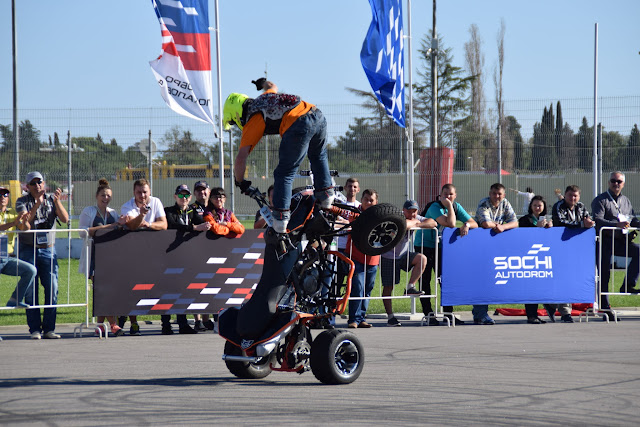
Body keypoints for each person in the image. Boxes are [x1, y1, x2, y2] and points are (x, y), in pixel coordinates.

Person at [224, 79, 334, 233]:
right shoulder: (264, 98)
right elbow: (271, 86)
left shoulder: (253, 118)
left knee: (284, 173)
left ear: (236, 114)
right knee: (318, 156)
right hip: (316, 114)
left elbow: (241, 158)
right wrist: (262, 83)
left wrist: (240, 181)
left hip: (298, 123)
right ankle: (327, 198)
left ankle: (280, 222)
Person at [414, 184, 477, 326]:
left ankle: (449, 314)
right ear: (440, 195)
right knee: (425, 281)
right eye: (445, 194)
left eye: (451, 194)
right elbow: (450, 223)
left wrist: (466, 225)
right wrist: (448, 205)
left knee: (445, 281)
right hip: (425, 245)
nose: (448, 197)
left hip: (442, 247)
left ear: (455, 195)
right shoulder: (435, 207)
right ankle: (429, 314)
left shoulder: (457, 207)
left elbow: (474, 223)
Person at [15, 171, 69, 339]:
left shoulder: (52, 199)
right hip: (27, 249)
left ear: (44, 184)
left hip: (48, 249)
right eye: (34, 183)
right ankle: (35, 329)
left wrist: (57, 201)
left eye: (40, 182)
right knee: (31, 290)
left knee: (52, 287)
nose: (38, 185)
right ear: (27, 186)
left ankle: (49, 329)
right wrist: (37, 205)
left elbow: (65, 219)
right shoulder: (21, 201)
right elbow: (25, 224)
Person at [118, 178, 167, 336]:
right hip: (133, 253)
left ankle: (165, 323)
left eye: (145, 192)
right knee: (132, 288)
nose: (142, 195)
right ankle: (133, 323)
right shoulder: (127, 206)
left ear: (150, 191)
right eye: (139, 192)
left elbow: (163, 224)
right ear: (134, 193)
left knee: (160, 287)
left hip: (154, 252)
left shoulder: (156, 202)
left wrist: (148, 224)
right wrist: (141, 217)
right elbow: (131, 225)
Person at [78, 179, 126, 337]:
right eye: (103, 195)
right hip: (93, 256)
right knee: (101, 290)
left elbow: (119, 228)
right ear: (96, 196)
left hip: (109, 257)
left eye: (108, 196)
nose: (106, 198)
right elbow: (83, 232)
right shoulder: (88, 211)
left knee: (105, 291)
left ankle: (100, 326)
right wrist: (110, 227)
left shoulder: (113, 213)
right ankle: (113, 325)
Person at [162, 184, 210, 335]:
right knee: (168, 290)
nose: (184, 198)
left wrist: (205, 226)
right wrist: (194, 228)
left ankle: (183, 323)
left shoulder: (192, 211)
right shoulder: (168, 211)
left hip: (185, 256)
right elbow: (172, 225)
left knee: (181, 290)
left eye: (186, 196)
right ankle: (166, 324)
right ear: (175, 197)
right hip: (169, 256)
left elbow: (201, 224)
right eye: (180, 195)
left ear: (190, 197)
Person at [591, 171, 640, 321]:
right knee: (604, 274)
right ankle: (605, 308)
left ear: (623, 184)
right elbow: (598, 220)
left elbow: (632, 220)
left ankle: (627, 285)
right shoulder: (600, 200)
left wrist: (636, 226)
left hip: (621, 242)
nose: (616, 184)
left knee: (638, 251)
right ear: (608, 182)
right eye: (613, 181)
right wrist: (616, 225)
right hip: (604, 241)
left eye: (619, 181)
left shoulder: (626, 201)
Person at [380, 200, 436, 327]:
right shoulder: (398, 216)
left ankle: (410, 286)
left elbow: (433, 222)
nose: (412, 214)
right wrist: (415, 222)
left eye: (414, 211)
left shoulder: (417, 217)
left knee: (422, 258)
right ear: (403, 210)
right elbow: (404, 224)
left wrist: (418, 224)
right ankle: (390, 317)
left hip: (404, 255)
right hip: (388, 256)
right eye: (409, 211)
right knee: (388, 287)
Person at [473, 183, 518, 325]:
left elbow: (515, 222)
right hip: (478, 246)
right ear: (489, 193)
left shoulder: (505, 203)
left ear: (504, 195)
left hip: (494, 246)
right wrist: (497, 226)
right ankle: (481, 313)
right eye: (494, 193)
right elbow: (485, 224)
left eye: (499, 194)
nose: (496, 196)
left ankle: (480, 313)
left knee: (491, 280)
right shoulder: (484, 203)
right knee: (481, 280)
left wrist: (503, 226)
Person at [549, 185, 595, 323]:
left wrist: (590, 223)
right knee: (562, 278)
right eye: (570, 195)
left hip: (577, 248)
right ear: (565, 195)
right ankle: (565, 312)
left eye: (575, 196)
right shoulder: (559, 206)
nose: (572, 198)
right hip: (560, 247)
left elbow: (588, 220)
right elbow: (561, 222)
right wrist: (582, 224)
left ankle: (551, 305)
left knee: (571, 279)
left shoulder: (581, 206)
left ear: (579, 196)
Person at [346, 189, 379, 329]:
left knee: (368, 288)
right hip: (356, 256)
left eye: (371, 200)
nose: (368, 202)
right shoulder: (355, 212)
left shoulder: (380, 214)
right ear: (362, 199)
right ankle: (353, 318)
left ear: (376, 202)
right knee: (357, 288)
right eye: (366, 199)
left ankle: (361, 318)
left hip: (373, 258)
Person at [518, 195, 553, 324]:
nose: (537, 208)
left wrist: (550, 227)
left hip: (543, 258)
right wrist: (536, 228)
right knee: (530, 288)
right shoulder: (525, 220)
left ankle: (543, 311)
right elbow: (524, 235)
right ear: (530, 207)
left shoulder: (547, 220)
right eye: (535, 205)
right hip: (528, 258)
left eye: (540, 205)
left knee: (541, 287)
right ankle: (531, 315)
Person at [2, 185, 37, 309]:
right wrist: (13, 223)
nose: (2, 197)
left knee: (30, 270)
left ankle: (15, 299)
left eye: (5, 194)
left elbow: (24, 229)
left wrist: (25, 221)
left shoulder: (12, 212)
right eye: (0, 194)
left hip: (7, 258)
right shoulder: (12, 219)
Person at [190, 180, 215, 331]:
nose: (202, 192)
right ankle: (197, 319)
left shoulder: (215, 208)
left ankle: (206, 318)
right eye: (198, 190)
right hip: (196, 249)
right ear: (195, 193)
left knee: (209, 284)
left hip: (212, 250)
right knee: (196, 285)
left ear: (209, 191)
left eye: (204, 190)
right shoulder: (192, 208)